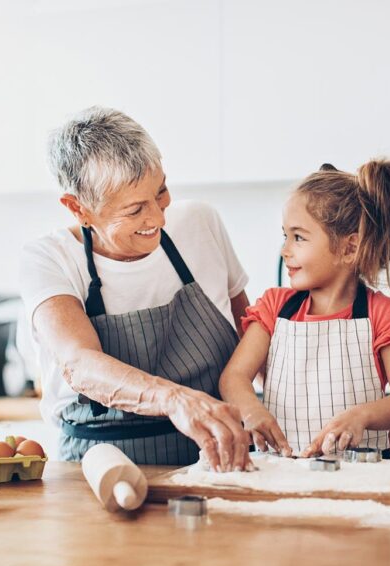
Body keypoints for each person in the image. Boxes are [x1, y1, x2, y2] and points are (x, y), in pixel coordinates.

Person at [20, 107, 251, 470]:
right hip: (100, 466)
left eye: (161, 192)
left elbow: (249, 332)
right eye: (134, 209)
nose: (158, 218)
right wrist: (175, 400)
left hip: (218, 457)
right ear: (78, 208)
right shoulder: (48, 259)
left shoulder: (200, 223)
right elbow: (79, 363)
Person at [219, 160, 390, 458]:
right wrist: (251, 410)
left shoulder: (384, 315)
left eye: (299, 237)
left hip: (362, 475)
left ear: (349, 248)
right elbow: (234, 377)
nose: (285, 250)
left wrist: (362, 416)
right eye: (285, 236)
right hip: (283, 471)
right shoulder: (274, 308)